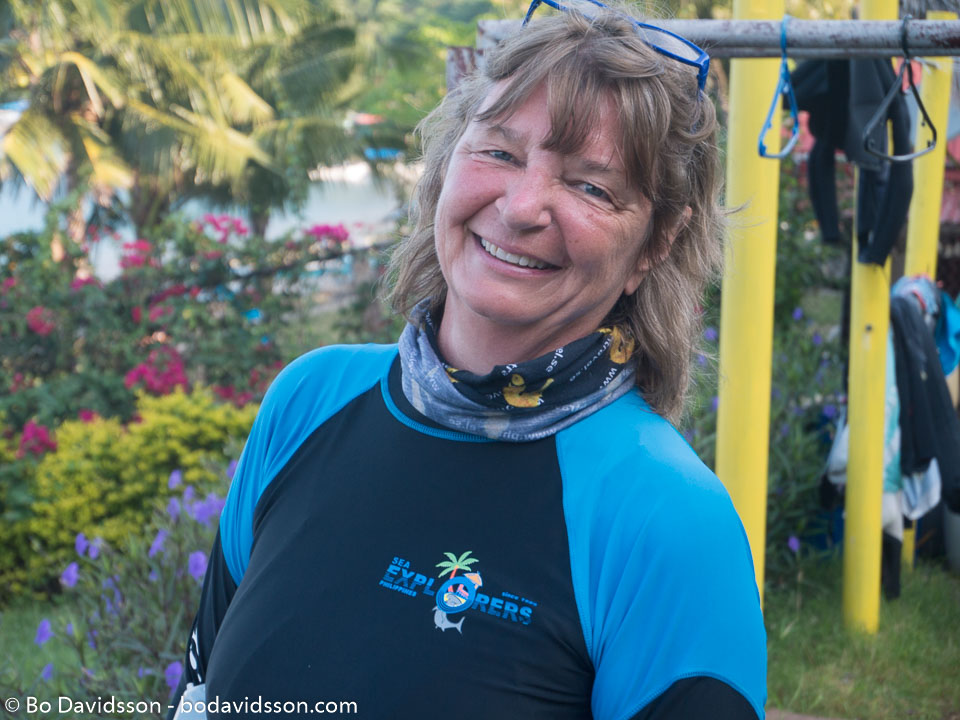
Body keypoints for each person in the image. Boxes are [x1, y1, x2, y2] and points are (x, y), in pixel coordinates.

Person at [169, 2, 767, 718]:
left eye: (590, 186)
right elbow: (199, 697)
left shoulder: (668, 521)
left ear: (657, 242)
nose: (520, 207)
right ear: (447, 162)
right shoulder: (308, 401)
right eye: (499, 153)